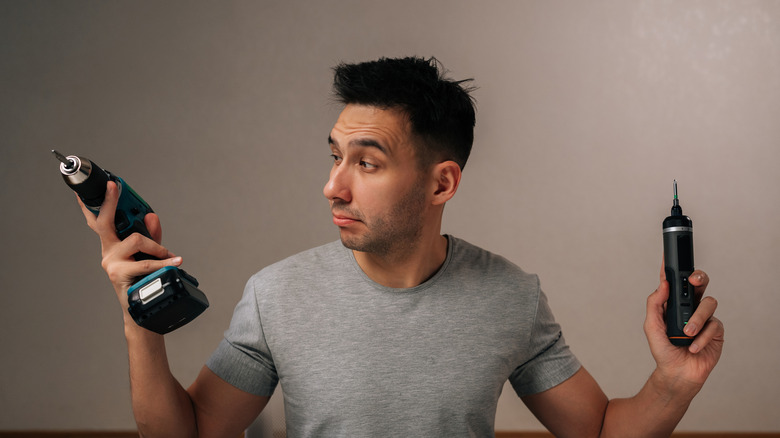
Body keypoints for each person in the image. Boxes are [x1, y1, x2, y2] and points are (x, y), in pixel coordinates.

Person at [80, 56, 724, 437]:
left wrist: (674, 382)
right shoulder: (276, 295)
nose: (333, 186)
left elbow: (601, 430)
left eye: (367, 163)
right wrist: (138, 316)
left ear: (442, 183)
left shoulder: (510, 296)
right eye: (335, 157)